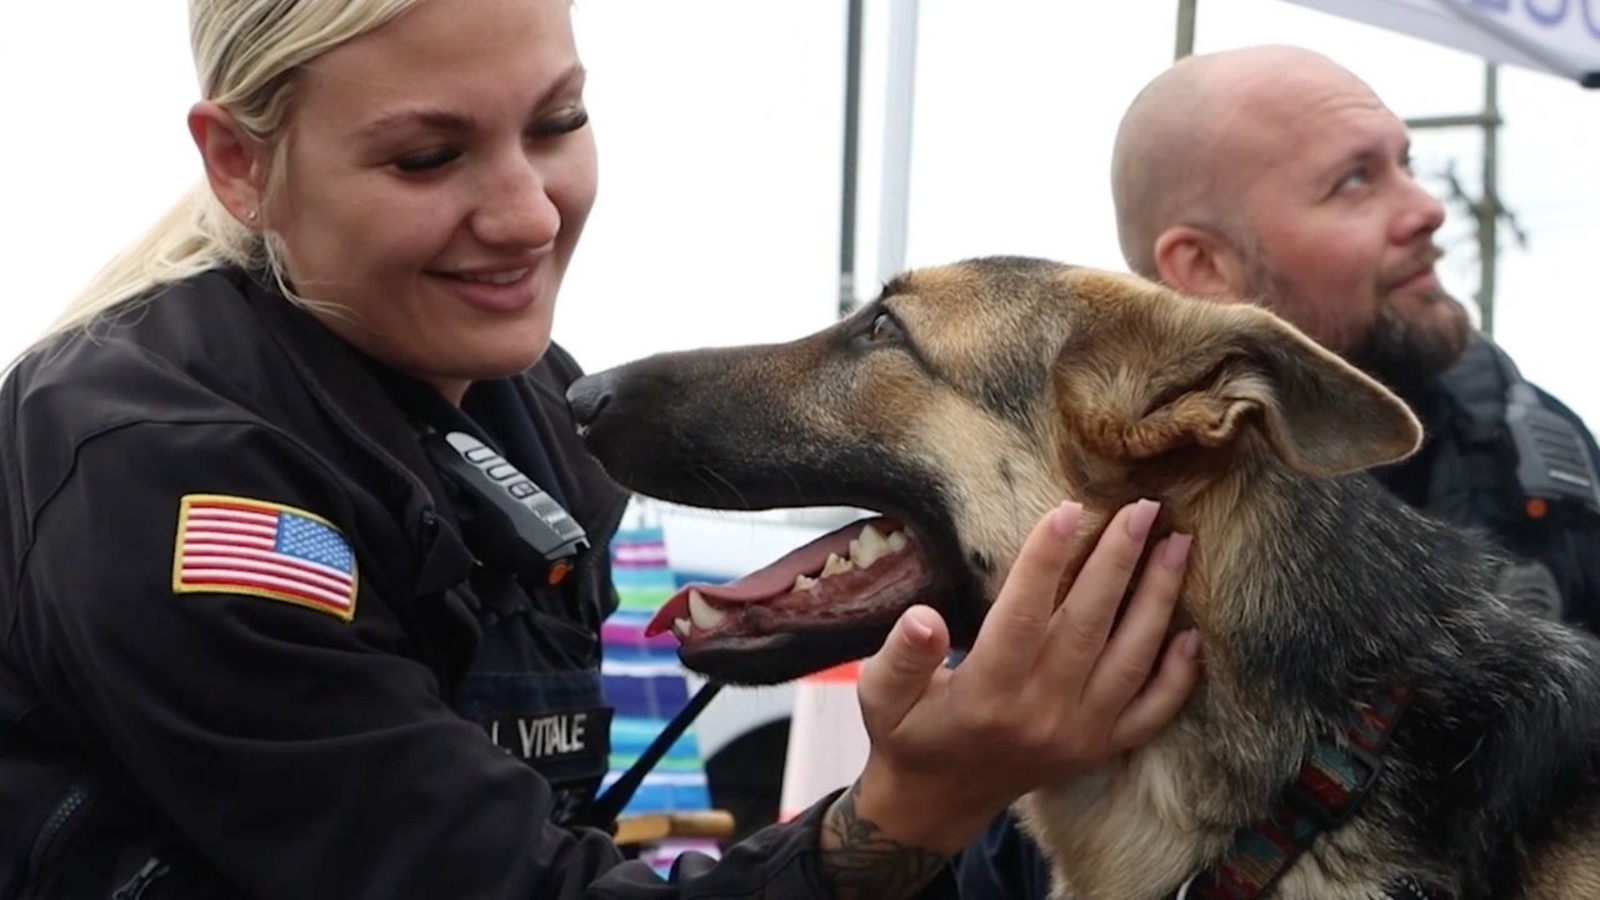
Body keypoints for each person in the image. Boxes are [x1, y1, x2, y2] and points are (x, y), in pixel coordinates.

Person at [0, 2, 1203, 898]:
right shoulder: (168, 475)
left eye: (557, 122)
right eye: (429, 156)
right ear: (240, 163)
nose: (528, 212)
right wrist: (918, 802)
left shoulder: (528, 402)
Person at [958, 43, 1600, 899]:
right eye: (1354, 183)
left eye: (1404, 164)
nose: (1428, 211)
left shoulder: (1539, 454)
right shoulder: (1080, 527)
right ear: (1203, 270)